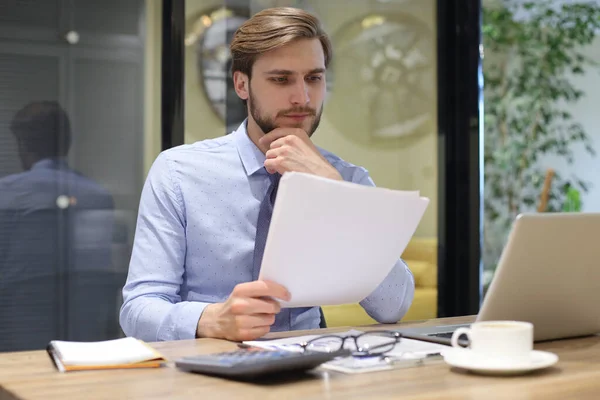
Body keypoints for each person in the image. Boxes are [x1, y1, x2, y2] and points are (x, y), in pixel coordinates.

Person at [120, 7, 415, 343]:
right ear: (241, 84)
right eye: (281, 79)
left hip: (313, 373)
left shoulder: (346, 178)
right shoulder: (178, 173)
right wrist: (210, 319)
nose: (302, 97)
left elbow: (394, 305)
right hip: (207, 373)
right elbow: (138, 310)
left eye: (314, 78)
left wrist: (335, 194)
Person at [0, 101, 116, 350]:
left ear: (23, 144)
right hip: (85, 326)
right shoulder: (98, 195)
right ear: (67, 142)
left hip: (18, 326)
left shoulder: (7, 193)